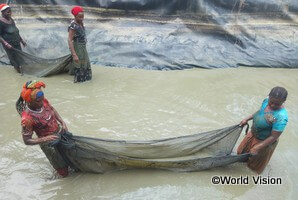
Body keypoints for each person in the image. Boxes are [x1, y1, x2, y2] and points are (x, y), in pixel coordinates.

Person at [19, 80, 69, 177]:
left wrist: (62, 122)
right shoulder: (27, 119)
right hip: (49, 144)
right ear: (29, 101)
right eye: (38, 101)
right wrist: (46, 139)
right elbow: (27, 140)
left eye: (42, 99)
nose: (42, 102)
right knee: (63, 170)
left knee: (70, 158)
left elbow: (52, 109)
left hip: (60, 133)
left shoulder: (43, 101)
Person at [237, 86, 288, 174]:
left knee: (253, 167)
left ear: (283, 102)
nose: (272, 105)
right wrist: (247, 118)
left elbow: (274, 136)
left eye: (277, 104)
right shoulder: (266, 101)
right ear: (269, 96)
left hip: (265, 141)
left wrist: (258, 147)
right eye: (271, 102)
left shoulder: (281, 117)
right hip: (253, 134)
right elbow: (259, 112)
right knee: (240, 153)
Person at [68, 6, 92, 83]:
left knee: (86, 64)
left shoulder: (81, 23)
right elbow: (69, 39)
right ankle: (78, 82)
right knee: (79, 64)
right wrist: (74, 54)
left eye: (83, 17)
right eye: (79, 17)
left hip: (83, 47)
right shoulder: (73, 25)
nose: (81, 18)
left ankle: (85, 81)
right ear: (75, 16)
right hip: (77, 47)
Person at [0, 4, 26, 73]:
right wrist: (6, 44)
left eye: (10, 11)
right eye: (8, 12)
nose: (10, 13)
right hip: (9, 45)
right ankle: (18, 71)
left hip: (16, 42)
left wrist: (22, 41)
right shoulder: (0, 22)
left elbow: (16, 31)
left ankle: (22, 71)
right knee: (13, 58)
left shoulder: (11, 20)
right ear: (2, 12)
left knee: (20, 56)